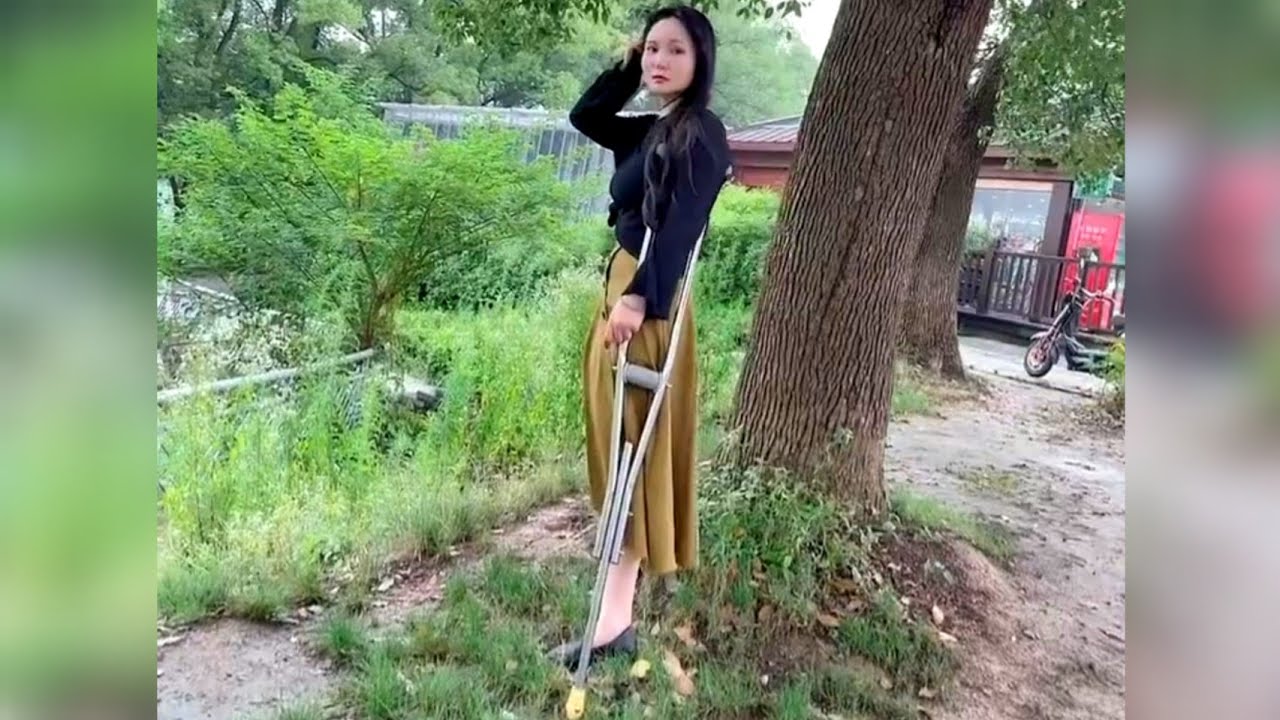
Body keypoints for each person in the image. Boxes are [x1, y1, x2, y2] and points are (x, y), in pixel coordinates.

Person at [546, 4, 732, 668]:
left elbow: (681, 229)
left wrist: (638, 297)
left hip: (647, 303)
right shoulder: (651, 129)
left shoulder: (700, 133)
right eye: (652, 48)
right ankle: (616, 621)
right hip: (624, 291)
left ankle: (611, 624)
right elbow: (586, 116)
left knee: (634, 451)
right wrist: (627, 65)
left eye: (675, 50)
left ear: (701, 60)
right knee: (618, 449)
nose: (660, 59)